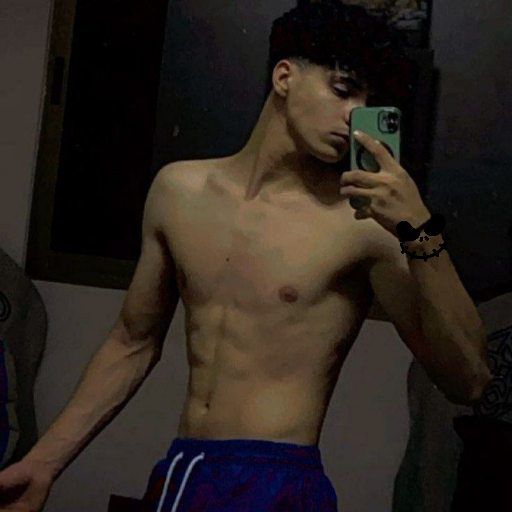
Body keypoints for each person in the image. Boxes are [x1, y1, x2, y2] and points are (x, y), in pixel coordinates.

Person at [0, 1, 492, 511]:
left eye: (368, 102)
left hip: (279, 480)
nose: (354, 116)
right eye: (343, 90)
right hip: (186, 469)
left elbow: (469, 380)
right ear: (284, 77)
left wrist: (419, 230)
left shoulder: (362, 224)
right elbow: (132, 343)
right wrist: (44, 463)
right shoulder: (179, 191)